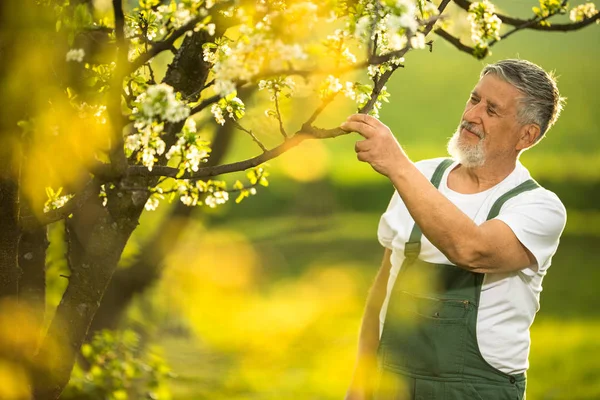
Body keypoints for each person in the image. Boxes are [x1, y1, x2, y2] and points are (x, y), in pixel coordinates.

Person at [339, 59, 567, 400]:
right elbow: (383, 291)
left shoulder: (538, 208)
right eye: (474, 99)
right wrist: (359, 383)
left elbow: (472, 250)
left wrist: (397, 165)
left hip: (475, 392)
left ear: (526, 135)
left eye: (491, 110)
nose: (472, 115)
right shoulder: (421, 178)